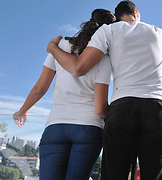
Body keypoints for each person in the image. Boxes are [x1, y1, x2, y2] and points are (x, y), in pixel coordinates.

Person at [46, 0, 162, 180]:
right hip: (156, 108)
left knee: (114, 175)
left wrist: (52, 48)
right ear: (136, 13)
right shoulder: (153, 30)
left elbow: (79, 68)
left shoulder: (108, 31)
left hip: (122, 108)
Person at [13, 9, 116, 180]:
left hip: (56, 126)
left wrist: (22, 110)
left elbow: (40, 88)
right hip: (89, 126)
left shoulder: (60, 46)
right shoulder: (104, 59)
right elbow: (100, 108)